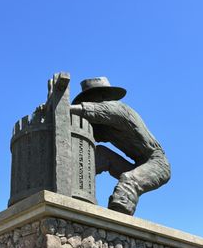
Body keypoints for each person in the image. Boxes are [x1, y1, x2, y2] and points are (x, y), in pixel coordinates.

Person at [70, 77, 171, 215]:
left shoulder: (119, 109)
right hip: (137, 164)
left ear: (103, 95)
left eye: (91, 97)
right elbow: (84, 131)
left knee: (129, 181)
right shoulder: (105, 127)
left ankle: (118, 220)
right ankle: (75, 188)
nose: (88, 100)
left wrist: (62, 108)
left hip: (157, 163)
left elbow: (96, 110)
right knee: (98, 154)